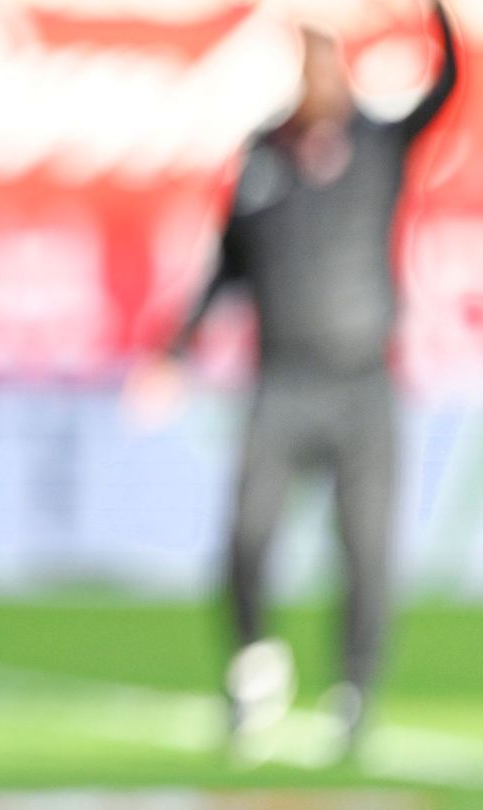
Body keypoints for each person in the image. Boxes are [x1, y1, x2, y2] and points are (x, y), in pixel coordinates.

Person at [144, 1, 457, 759]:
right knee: (248, 535)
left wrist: (440, 12)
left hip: (363, 384)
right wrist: (175, 351)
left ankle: (355, 691)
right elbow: (227, 264)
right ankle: (255, 667)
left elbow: (449, 83)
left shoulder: (379, 142)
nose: (319, 80)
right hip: (283, 380)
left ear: (344, 74)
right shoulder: (265, 155)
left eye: (328, 65)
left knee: (366, 550)